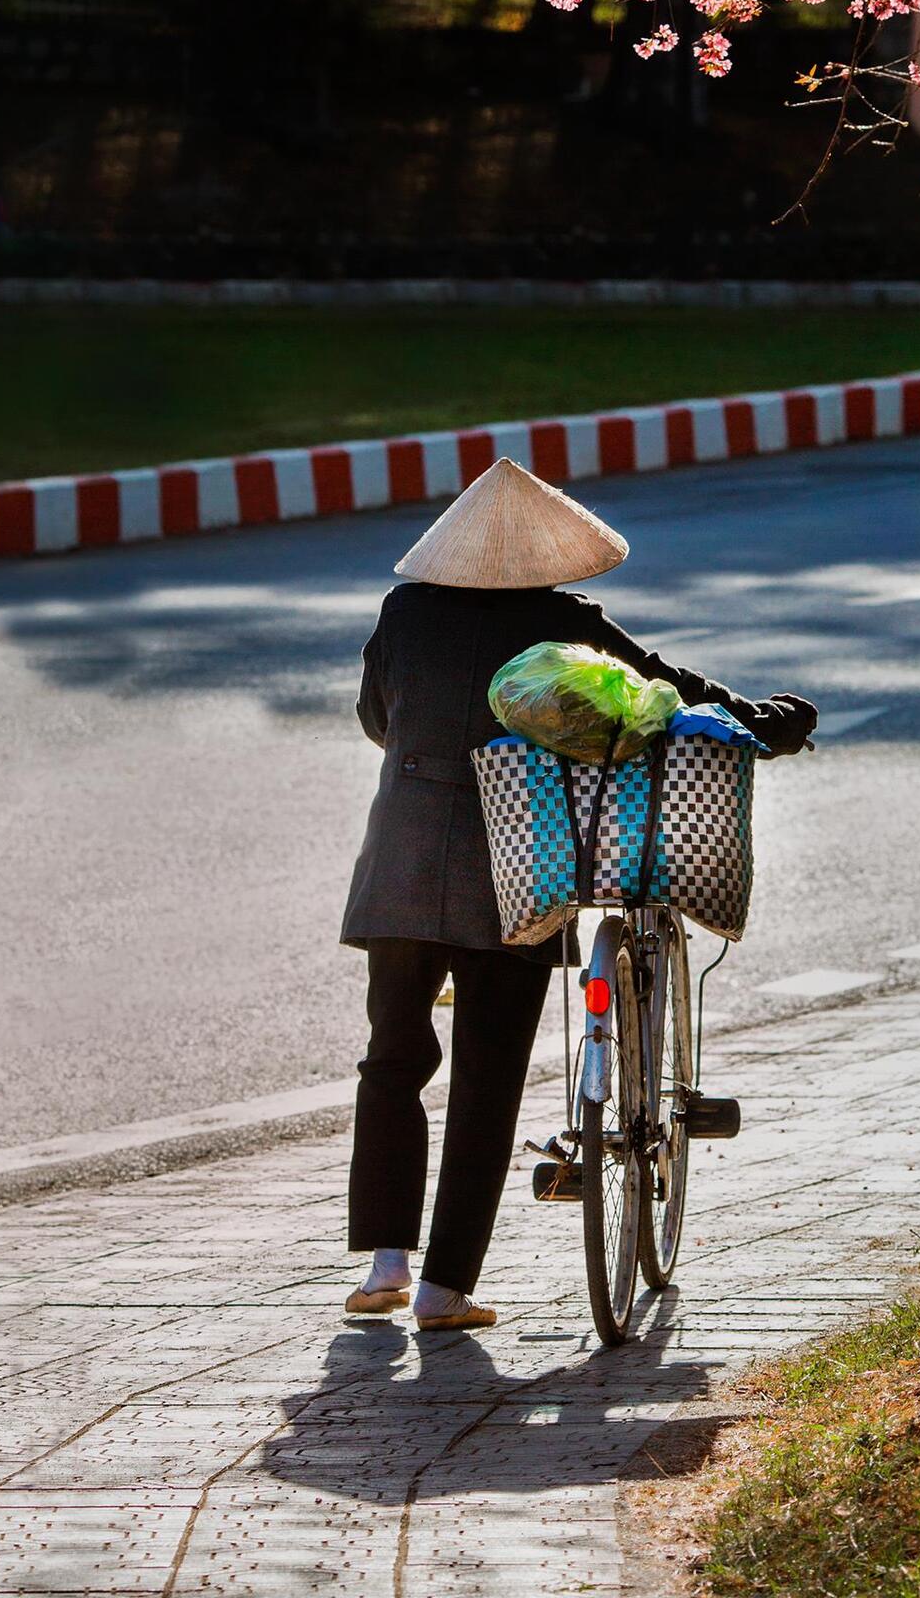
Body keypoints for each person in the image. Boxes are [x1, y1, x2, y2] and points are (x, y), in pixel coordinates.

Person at [339, 455, 817, 1331]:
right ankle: (446, 1291)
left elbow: (378, 720)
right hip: (521, 864)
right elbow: (671, 699)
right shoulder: (563, 622)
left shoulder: (403, 613)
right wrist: (771, 721)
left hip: (399, 864)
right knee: (488, 1072)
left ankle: (384, 1264)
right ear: (548, 552)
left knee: (393, 1059)